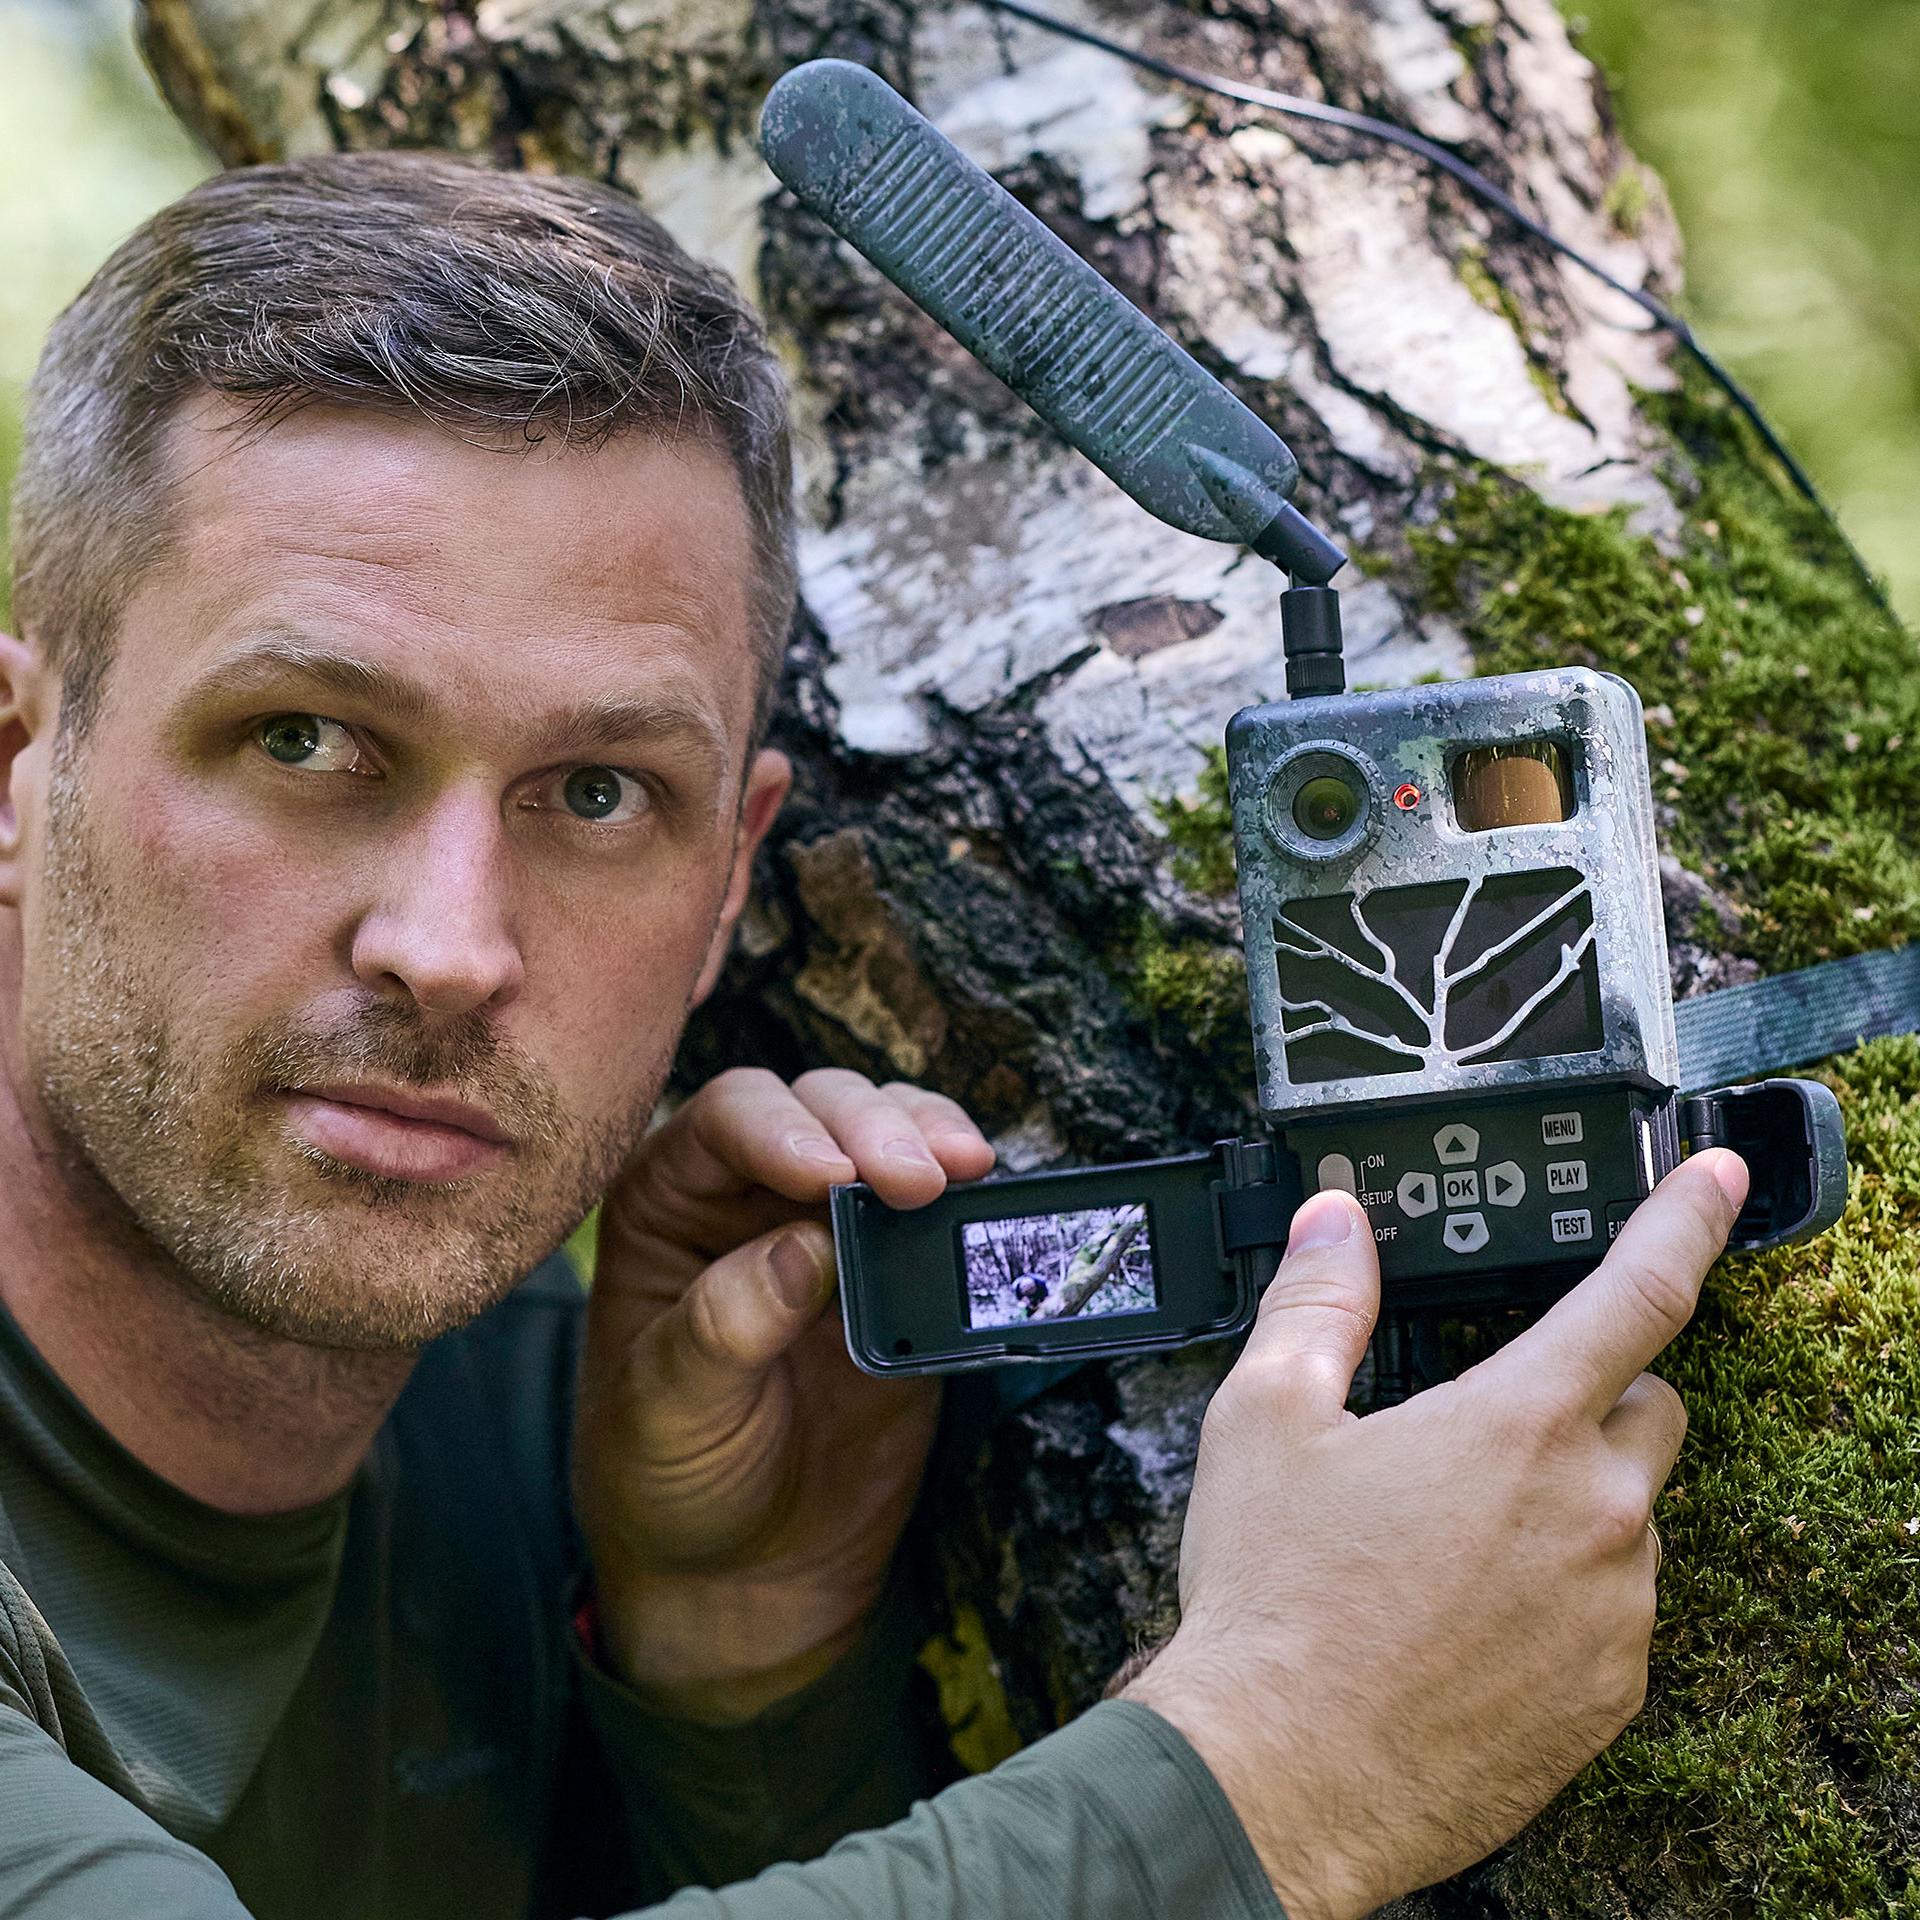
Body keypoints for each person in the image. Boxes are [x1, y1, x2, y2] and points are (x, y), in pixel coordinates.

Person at [0, 149, 1749, 1920]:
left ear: (728, 879)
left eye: (597, 791)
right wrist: (1268, 1769)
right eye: (303, 739)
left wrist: (729, 1670)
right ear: (19, 760)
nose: (448, 948)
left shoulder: (539, 1429)